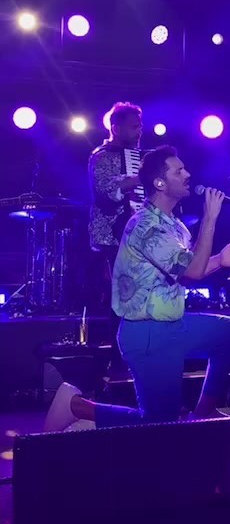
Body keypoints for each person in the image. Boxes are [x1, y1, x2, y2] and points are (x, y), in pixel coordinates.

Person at [45, 145, 230, 432]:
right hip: (147, 334)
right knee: (159, 424)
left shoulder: (172, 224)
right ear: (160, 183)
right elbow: (192, 270)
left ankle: (203, 413)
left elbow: (184, 272)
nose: (187, 174)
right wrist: (210, 220)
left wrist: (220, 261)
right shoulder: (146, 227)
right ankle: (77, 405)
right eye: (179, 171)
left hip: (172, 326)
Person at [88, 101, 144, 377]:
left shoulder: (138, 157)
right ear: (115, 128)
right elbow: (106, 190)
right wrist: (138, 179)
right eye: (133, 126)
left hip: (136, 237)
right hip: (111, 235)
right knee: (119, 299)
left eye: (140, 126)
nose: (139, 131)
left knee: (136, 296)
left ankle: (136, 354)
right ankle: (118, 360)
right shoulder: (101, 156)